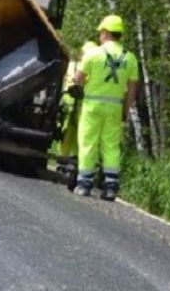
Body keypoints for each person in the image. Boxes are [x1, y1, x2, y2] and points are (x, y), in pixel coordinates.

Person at [73, 15, 140, 201]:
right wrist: (125, 111)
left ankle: (84, 183)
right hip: (115, 108)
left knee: (88, 143)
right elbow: (133, 89)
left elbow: (78, 79)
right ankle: (110, 186)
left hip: (92, 106)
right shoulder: (130, 58)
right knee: (111, 146)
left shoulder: (93, 54)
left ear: (105, 32)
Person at [54, 40, 99, 183]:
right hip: (73, 106)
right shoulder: (80, 67)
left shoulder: (83, 67)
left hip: (76, 106)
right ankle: (68, 161)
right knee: (72, 135)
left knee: (75, 135)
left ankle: (68, 161)